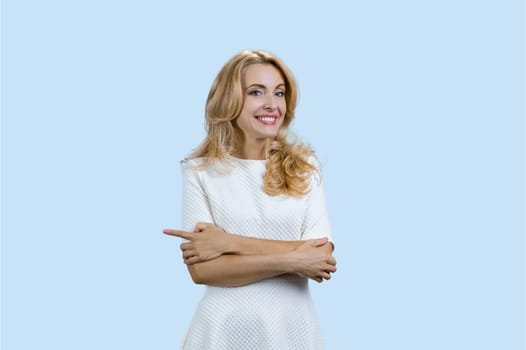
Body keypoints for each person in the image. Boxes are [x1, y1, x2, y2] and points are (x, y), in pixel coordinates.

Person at [163, 49, 336, 350]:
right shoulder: (200, 172)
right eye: (256, 92)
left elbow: (321, 258)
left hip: (292, 331)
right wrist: (293, 259)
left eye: (279, 93)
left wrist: (228, 243)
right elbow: (203, 270)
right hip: (221, 331)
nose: (272, 104)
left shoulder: (305, 167)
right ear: (230, 100)